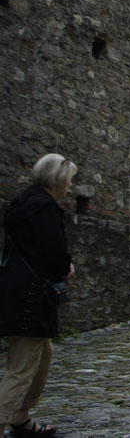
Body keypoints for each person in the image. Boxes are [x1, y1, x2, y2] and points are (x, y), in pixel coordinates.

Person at [0, 154, 77, 437]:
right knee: (20, 369)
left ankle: (21, 417)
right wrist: (65, 268)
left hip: (16, 290)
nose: (70, 185)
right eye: (69, 179)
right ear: (59, 179)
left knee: (43, 354)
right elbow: (53, 253)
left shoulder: (22, 205)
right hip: (30, 296)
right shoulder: (44, 209)